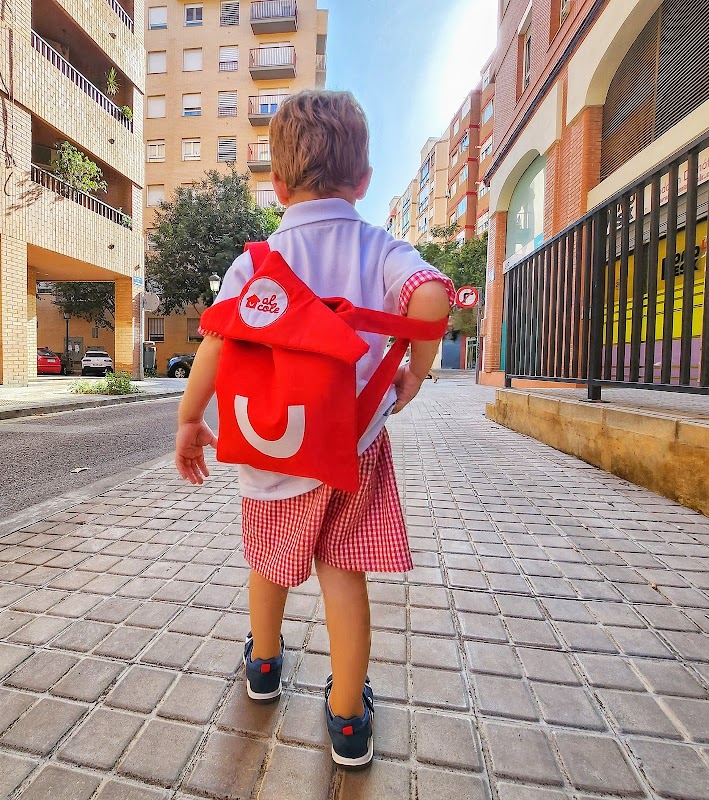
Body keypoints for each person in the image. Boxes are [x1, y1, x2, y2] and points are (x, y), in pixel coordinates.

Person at [175, 90, 453, 770]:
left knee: (268, 565)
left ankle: (265, 670)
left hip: (270, 448)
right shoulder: (379, 246)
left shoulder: (256, 262)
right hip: (350, 449)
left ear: (276, 184)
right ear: (362, 182)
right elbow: (433, 295)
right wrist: (411, 372)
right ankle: (349, 718)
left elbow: (213, 342)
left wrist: (189, 420)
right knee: (343, 574)